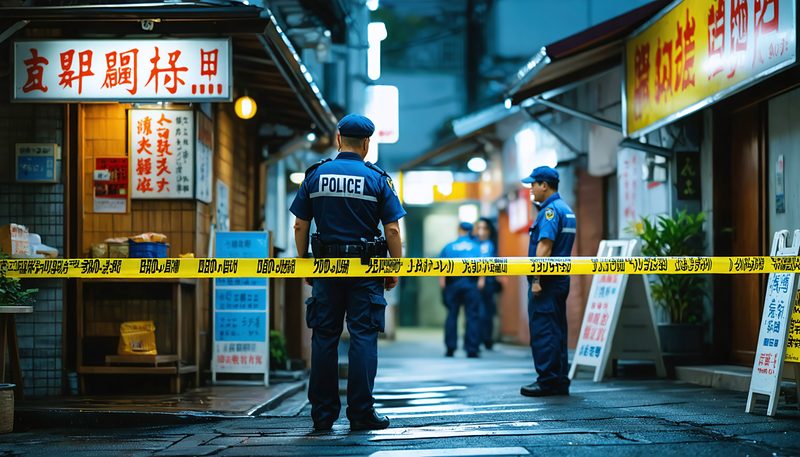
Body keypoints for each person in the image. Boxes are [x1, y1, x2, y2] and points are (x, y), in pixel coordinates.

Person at [290, 114, 406, 432]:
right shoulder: (377, 179)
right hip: (366, 271)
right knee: (363, 337)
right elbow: (393, 230)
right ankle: (361, 413)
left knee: (324, 338)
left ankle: (323, 414)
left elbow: (300, 224)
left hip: (326, 268)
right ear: (366, 143)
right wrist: (394, 267)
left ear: (338, 138)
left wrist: (304, 262)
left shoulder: (315, 175)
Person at [520, 166, 576, 397]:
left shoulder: (551, 211)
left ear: (544, 185)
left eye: (533, 184)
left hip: (546, 282)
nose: (531, 189)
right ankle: (559, 379)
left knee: (544, 330)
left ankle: (547, 381)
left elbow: (544, 248)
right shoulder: (564, 208)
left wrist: (535, 279)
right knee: (556, 330)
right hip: (559, 280)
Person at [439, 221, 483, 358]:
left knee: (452, 315)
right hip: (471, 285)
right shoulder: (476, 247)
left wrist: (443, 284)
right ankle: (472, 349)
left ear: (459, 229)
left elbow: (441, 268)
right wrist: (481, 281)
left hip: (453, 285)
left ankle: (450, 348)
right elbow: (482, 266)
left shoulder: (449, 247)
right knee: (472, 316)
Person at [475, 217, 498, 350]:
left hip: (487, 283)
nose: (481, 232)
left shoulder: (490, 244)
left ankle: (487, 339)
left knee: (487, 312)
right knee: (476, 311)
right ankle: (476, 339)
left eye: (484, 228)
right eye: (479, 228)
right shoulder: (474, 244)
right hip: (476, 283)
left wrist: (482, 279)